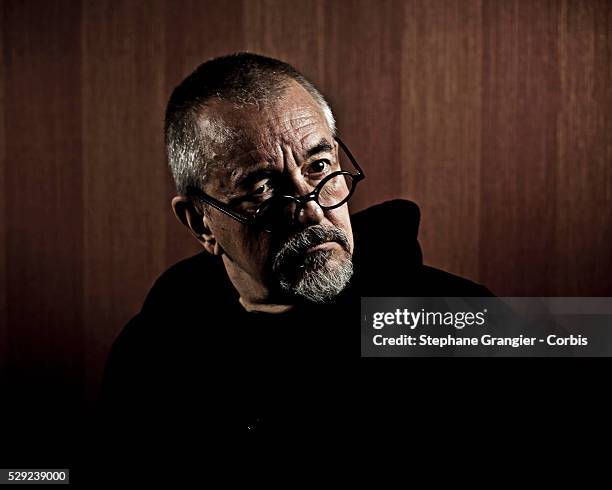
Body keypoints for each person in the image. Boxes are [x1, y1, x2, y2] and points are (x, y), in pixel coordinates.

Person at [99, 53, 492, 461]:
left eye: (319, 166)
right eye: (263, 188)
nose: (310, 211)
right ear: (201, 223)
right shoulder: (152, 358)